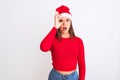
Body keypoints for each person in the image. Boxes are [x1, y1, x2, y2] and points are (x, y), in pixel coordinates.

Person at [40, 5, 86, 80]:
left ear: (71, 22)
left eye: (67, 20)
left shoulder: (78, 41)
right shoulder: (53, 40)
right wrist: (55, 27)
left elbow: (82, 64)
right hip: (55, 77)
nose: (64, 24)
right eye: (61, 21)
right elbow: (43, 48)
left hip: (73, 77)